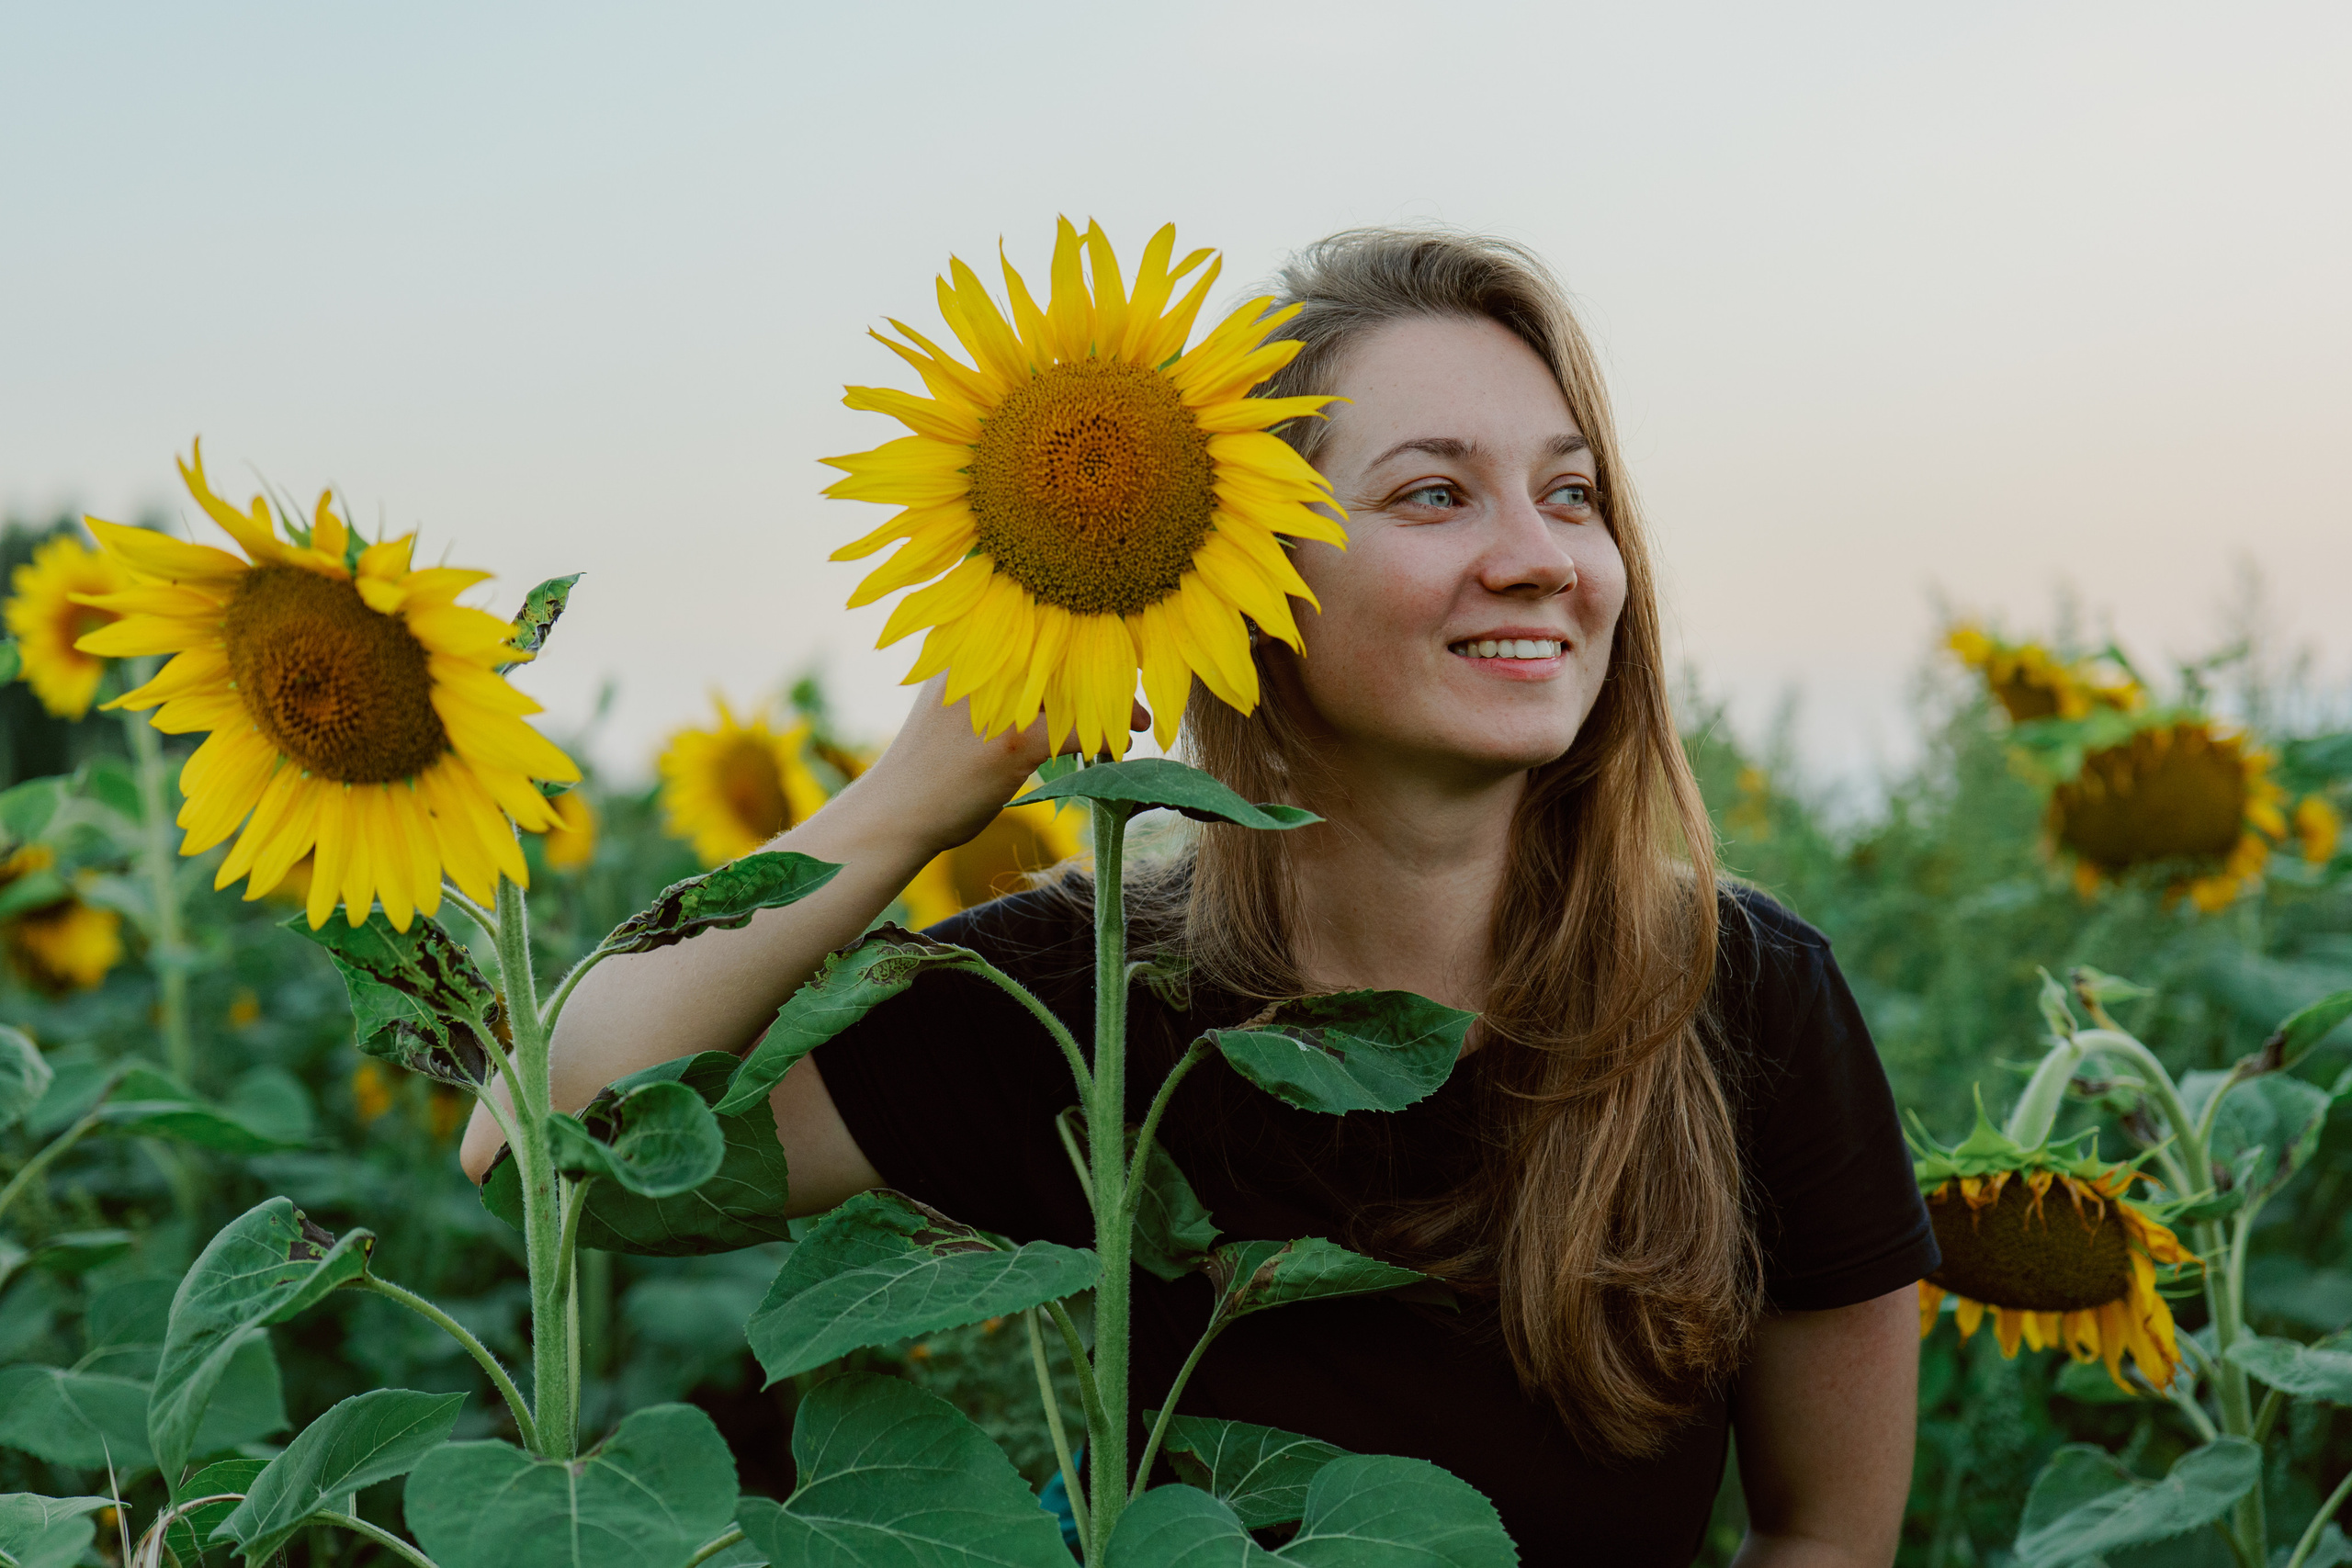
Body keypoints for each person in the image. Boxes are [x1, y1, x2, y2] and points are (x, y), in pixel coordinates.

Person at [463, 228, 1934, 1566]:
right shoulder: (1088, 999)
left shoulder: (1735, 994)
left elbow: (1827, 1536)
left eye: (1572, 494)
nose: (1540, 559)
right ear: (1245, 574)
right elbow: (545, 1143)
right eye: (1436, 493)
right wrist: (921, 792)